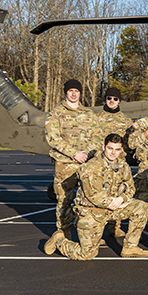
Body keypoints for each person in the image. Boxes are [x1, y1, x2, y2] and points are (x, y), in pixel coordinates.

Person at [44, 134, 148, 260]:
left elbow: (130, 187)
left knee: (141, 207)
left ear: (121, 150)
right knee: (87, 254)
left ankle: (130, 247)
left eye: (117, 149)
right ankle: (59, 241)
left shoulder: (123, 166)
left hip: (113, 207)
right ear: (103, 147)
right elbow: (93, 195)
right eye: (110, 148)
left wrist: (121, 199)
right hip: (91, 212)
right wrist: (114, 203)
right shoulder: (91, 167)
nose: (113, 153)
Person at [45, 79, 98, 241]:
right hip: (65, 165)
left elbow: (97, 137)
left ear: (80, 93)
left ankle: (89, 235)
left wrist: (87, 154)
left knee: (89, 200)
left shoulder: (89, 113)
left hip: (86, 164)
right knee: (64, 201)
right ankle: (63, 235)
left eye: (77, 90)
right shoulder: (55, 113)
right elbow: (53, 138)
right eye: (70, 91)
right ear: (66, 93)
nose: (74, 93)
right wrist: (74, 153)